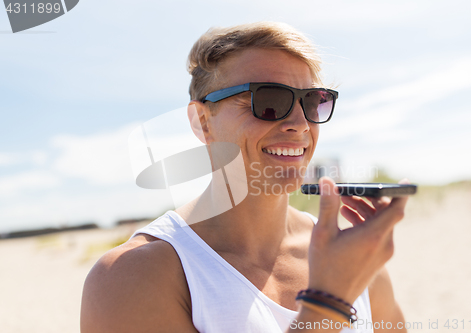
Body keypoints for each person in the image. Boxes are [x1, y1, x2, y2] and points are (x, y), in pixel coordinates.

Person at [81, 22, 409, 333]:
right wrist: (328, 303)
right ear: (202, 122)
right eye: (268, 101)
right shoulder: (133, 275)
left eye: (312, 101)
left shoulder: (352, 257)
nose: (300, 123)